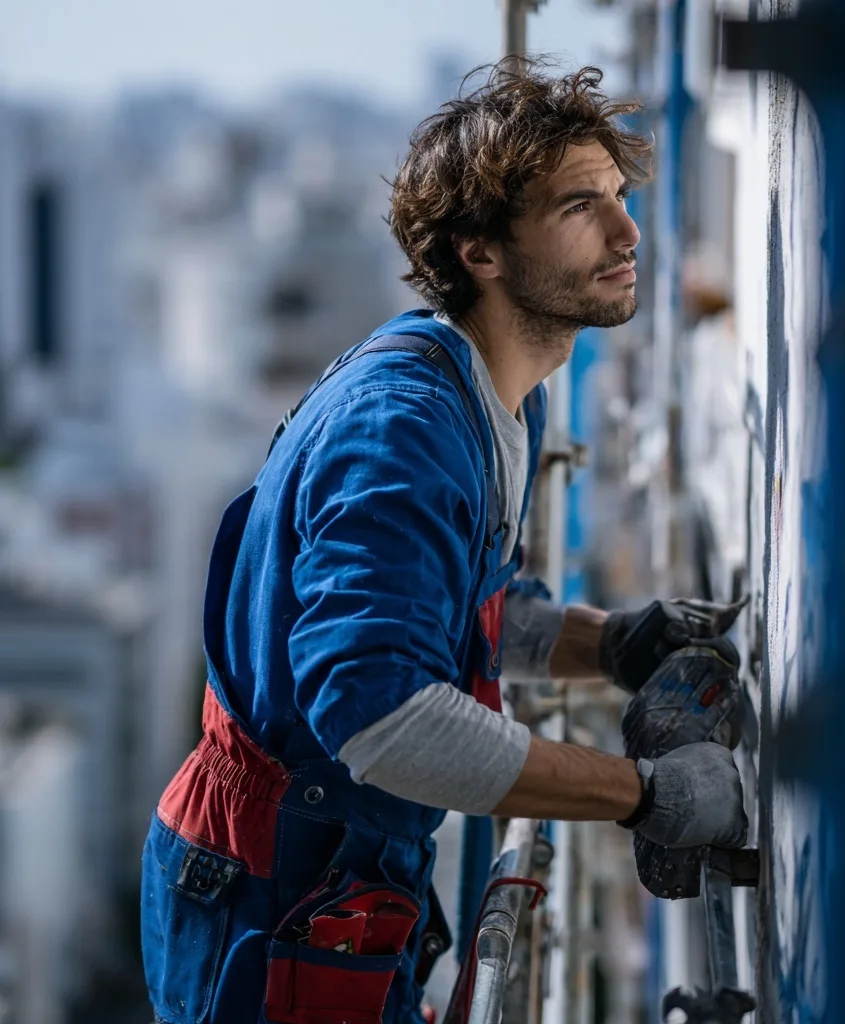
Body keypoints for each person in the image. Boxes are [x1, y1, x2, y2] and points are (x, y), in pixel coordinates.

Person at [140, 58, 746, 1024]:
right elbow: (382, 714)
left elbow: (456, 607)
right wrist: (642, 794)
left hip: (338, 868)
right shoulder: (407, 429)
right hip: (272, 888)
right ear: (481, 250)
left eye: (621, 196)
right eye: (579, 206)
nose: (629, 233)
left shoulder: (499, 391)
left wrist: (611, 642)